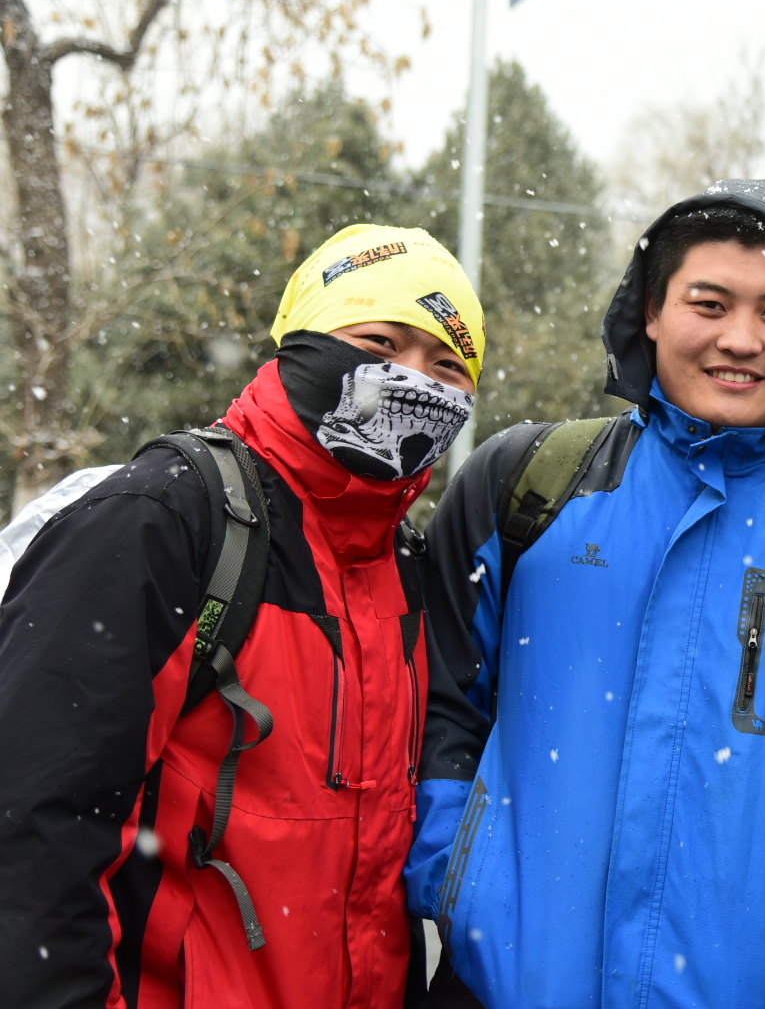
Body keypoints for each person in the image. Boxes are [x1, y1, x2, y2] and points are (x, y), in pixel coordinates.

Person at [405, 179, 765, 1009]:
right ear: (652, 313)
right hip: (504, 987)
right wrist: (459, 883)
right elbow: (438, 701)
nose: (741, 339)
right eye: (710, 303)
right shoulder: (526, 483)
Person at [0, 224, 484, 1009]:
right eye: (380, 343)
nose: (412, 380)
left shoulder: (407, 569)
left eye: (448, 366)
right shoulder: (163, 519)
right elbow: (32, 828)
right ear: (304, 342)